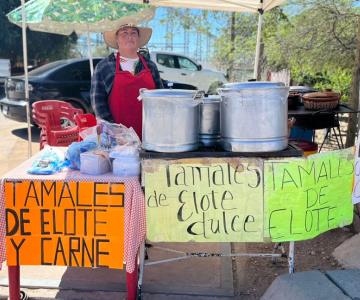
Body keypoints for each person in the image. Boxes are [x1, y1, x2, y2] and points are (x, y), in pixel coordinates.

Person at [90, 17, 163, 139]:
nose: (130, 36)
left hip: (149, 135)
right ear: (117, 39)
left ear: (139, 39)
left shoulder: (150, 66)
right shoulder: (104, 66)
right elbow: (98, 103)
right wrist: (115, 130)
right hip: (117, 139)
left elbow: (161, 99)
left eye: (133, 33)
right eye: (124, 33)